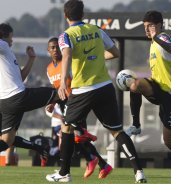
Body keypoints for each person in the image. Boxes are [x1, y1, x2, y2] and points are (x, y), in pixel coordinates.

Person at [46, 1, 146, 183]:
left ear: (65, 16)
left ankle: (64, 173)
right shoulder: (96, 30)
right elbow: (114, 52)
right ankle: (139, 172)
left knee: (66, 127)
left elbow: (66, 55)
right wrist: (95, 57)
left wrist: (62, 83)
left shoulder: (65, 36)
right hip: (105, 87)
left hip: (83, 89)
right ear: (83, 14)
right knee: (117, 132)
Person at [126, 10, 171, 182]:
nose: (147, 30)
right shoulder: (153, 43)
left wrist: (156, 36)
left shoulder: (163, 38)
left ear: (159, 25)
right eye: (145, 27)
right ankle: (136, 125)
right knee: (135, 85)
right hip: (157, 87)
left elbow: (169, 47)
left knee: (168, 141)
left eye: (150, 26)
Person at [45, 37, 112, 179]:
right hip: (63, 104)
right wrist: (52, 103)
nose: (56, 49)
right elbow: (55, 88)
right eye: (52, 47)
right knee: (76, 138)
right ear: (48, 51)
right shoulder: (49, 69)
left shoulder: (67, 63)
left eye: (57, 46)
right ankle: (101, 163)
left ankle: (89, 160)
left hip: (75, 102)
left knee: (72, 136)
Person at [0, 23, 59, 167]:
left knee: (7, 141)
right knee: (61, 93)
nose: (12, 41)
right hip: (18, 97)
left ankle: (39, 148)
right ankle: (78, 128)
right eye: (11, 37)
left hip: (6, 102)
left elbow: (19, 77)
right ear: (5, 36)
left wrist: (31, 59)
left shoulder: (5, 55)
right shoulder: (3, 45)